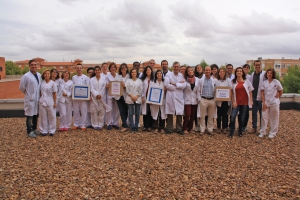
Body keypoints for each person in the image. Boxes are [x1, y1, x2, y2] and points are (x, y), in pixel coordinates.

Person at [19, 59, 41, 138]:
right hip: (30, 99)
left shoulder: (39, 75)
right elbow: (21, 87)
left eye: (35, 64)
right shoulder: (26, 76)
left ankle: (34, 129)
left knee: (35, 115)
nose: (34, 66)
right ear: (29, 66)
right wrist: (29, 94)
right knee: (29, 116)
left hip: (37, 99)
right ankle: (29, 131)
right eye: (32, 65)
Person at [229, 67, 254, 138]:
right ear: (236, 73)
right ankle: (232, 131)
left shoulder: (246, 81)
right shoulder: (233, 82)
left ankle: (240, 131)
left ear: (242, 73)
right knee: (233, 116)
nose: (239, 72)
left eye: (240, 71)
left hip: (245, 102)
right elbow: (231, 93)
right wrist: (233, 101)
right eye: (238, 71)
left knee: (242, 118)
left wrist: (251, 100)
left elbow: (251, 90)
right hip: (236, 102)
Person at [259, 69, 283, 138]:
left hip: (274, 102)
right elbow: (262, 94)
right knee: (264, 117)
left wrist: (278, 96)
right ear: (266, 74)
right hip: (266, 102)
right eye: (268, 73)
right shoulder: (264, 82)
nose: (269, 74)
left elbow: (281, 90)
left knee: (274, 118)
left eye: (271, 73)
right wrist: (263, 103)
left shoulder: (276, 82)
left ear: (273, 74)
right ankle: (263, 132)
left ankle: (273, 132)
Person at [165, 61, 186, 135]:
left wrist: (174, 84)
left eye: (177, 67)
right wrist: (178, 86)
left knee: (179, 113)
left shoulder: (182, 75)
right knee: (170, 113)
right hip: (170, 96)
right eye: (175, 66)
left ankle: (179, 129)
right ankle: (169, 128)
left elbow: (184, 85)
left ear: (179, 67)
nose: (176, 68)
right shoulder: (168, 75)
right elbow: (167, 85)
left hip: (179, 96)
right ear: (173, 67)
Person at [198, 66, 218, 135]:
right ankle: (202, 129)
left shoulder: (214, 80)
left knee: (210, 116)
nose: (208, 72)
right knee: (202, 116)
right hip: (204, 99)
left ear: (211, 71)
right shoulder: (201, 80)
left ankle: (210, 129)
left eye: (209, 70)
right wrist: (199, 99)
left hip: (212, 100)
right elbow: (198, 90)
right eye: (206, 70)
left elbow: (216, 90)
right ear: (204, 71)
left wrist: (215, 99)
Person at [249, 60, 266, 134]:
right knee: (254, 113)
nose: (257, 66)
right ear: (254, 66)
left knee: (262, 114)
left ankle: (262, 128)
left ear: (261, 65)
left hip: (261, 98)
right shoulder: (253, 74)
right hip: (254, 97)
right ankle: (254, 127)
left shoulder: (264, 74)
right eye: (256, 65)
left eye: (259, 65)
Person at [39, 70, 57, 136]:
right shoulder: (41, 83)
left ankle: (52, 130)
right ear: (43, 75)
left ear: (50, 75)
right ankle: (44, 130)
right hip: (42, 101)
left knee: (51, 116)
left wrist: (55, 102)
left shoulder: (53, 83)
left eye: (48, 73)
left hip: (50, 101)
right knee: (43, 116)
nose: (47, 75)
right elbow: (40, 92)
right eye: (45, 73)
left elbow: (54, 93)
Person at [72, 63, 90, 130]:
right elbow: (73, 86)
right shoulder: (73, 77)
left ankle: (83, 125)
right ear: (76, 69)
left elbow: (88, 87)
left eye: (80, 68)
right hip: (76, 97)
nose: (79, 69)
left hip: (84, 97)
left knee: (83, 111)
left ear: (82, 69)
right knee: (76, 110)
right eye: (77, 68)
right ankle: (76, 124)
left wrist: (88, 96)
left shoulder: (86, 77)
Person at [183, 66, 200, 134]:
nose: (190, 71)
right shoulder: (184, 80)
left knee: (193, 115)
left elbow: (199, 89)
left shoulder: (198, 79)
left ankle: (190, 128)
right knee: (187, 114)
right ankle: (184, 128)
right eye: (188, 71)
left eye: (191, 70)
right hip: (187, 99)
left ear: (193, 71)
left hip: (195, 99)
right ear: (187, 72)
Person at [125, 68, 143, 133]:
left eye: (135, 72)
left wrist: (136, 96)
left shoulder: (140, 81)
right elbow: (127, 90)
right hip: (130, 98)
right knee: (130, 113)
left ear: (137, 73)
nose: (133, 73)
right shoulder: (128, 81)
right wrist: (132, 96)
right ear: (131, 73)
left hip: (137, 98)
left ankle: (136, 126)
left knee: (137, 113)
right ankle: (132, 126)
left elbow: (141, 90)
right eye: (132, 72)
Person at [90, 66, 107, 130]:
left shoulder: (103, 79)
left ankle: (100, 124)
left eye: (98, 70)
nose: (97, 71)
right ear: (94, 71)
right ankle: (94, 124)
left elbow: (104, 88)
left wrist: (100, 95)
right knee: (94, 111)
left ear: (100, 71)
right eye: (96, 70)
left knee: (102, 110)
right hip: (94, 97)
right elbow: (91, 88)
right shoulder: (91, 79)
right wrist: (96, 94)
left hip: (101, 97)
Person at [216, 68, 232, 133]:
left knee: (225, 114)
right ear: (219, 73)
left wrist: (225, 98)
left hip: (226, 101)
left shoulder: (228, 80)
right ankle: (219, 127)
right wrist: (220, 98)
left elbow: (230, 89)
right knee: (219, 114)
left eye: (223, 72)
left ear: (225, 73)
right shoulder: (216, 80)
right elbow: (215, 90)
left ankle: (224, 127)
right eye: (220, 72)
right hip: (219, 101)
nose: (222, 73)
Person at [105, 62, 121, 130]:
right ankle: (109, 123)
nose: (113, 68)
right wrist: (107, 86)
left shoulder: (118, 76)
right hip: (110, 94)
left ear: (116, 68)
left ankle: (115, 123)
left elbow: (120, 84)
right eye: (111, 67)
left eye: (114, 67)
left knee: (116, 110)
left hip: (117, 95)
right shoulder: (107, 76)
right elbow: (105, 85)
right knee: (109, 109)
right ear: (110, 69)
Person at [116, 63, 130, 132]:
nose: (123, 69)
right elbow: (114, 85)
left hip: (127, 96)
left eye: (124, 68)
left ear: (126, 69)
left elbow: (131, 85)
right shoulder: (118, 76)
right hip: (119, 96)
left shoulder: (129, 76)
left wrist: (125, 86)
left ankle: (125, 123)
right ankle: (125, 125)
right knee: (121, 110)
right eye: (122, 68)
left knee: (126, 110)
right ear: (120, 69)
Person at [141, 66, 154, 132]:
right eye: (147, 70)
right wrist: (142, 97)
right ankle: (145, 125)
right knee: (145, 112)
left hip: (151, 98)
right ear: (145, 72)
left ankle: (150, 126)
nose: (148, 71)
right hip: (145, 97)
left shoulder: (154, 79)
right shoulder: (143, 79)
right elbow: (141, 89)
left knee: (150, 112)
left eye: (149, 70)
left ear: (151, 71)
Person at [193, 64, 204, 132]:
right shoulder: (194, 77)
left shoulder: (205, 76)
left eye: (200, 67)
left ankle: (202, 125)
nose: (199, 69)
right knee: (195, 113)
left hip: (203, 97)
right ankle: (197, 126)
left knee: (203, 113)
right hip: (195, 97)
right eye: (197, 68)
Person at [242, 64, 252, 132]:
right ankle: (240, 126)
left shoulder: (250, 77)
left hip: (247, 97)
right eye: (244, 68)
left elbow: (251, 88)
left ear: (249, 69)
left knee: (246, 113)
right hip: (239, 97)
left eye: (247, 68)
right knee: (239, 113)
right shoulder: (238, 76)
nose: (246, 69)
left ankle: (244, 126)